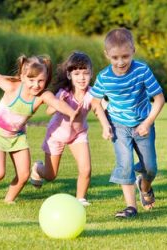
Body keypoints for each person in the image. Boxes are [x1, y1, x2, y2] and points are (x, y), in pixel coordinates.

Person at [0, 43, 79, 203]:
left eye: (40, 81)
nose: (36, 85)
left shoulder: (43, 96)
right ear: (22, 77)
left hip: (17, 136)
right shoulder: (11, 87)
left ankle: (8, 201)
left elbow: (56, 103)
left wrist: (71, 112)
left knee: (23, 175)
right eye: (31, 80)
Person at [90, 28, 165, 218]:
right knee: (125, 164)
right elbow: (95, 102)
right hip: (118, 126)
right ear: (107, 55)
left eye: (125, 56)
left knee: (150, 168)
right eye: (115, 57)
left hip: (142, 125)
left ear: (133, 51)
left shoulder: (142, 70)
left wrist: (147, 123)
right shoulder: (104, 77)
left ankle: (144, 186)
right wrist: (105, 125)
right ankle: (131, 207)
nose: (121, 62)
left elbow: (159, 99)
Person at [30, 51, 112, 206]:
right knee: (51, 175)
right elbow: (48, 111)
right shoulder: (64, 93)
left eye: (85, 73)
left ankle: (80, 199)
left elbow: (98, 108)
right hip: (56, 135)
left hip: (78, 135)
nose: (81, 78)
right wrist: (57, 104)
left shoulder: (92, 93)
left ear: (91, 73)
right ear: (69, 75)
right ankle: (37, 168)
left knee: (86, 169)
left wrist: (105, 125)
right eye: (77, 74)